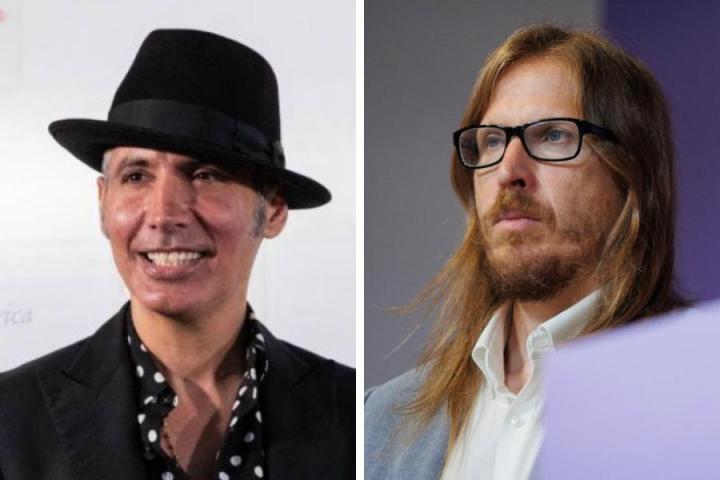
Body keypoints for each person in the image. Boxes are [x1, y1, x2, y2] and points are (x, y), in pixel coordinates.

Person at [0, 29, 354, 480]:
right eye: (136, 176)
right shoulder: (11, 420)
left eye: (206, 175)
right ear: (103, 203)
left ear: (274, 210)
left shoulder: (352, 414)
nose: (164, 214)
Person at [365, 24, 688, 480]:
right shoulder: (379, 420)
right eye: (493, 141)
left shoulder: (699, 395)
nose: (508, 170)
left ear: (631, 171)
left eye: (553, 135)